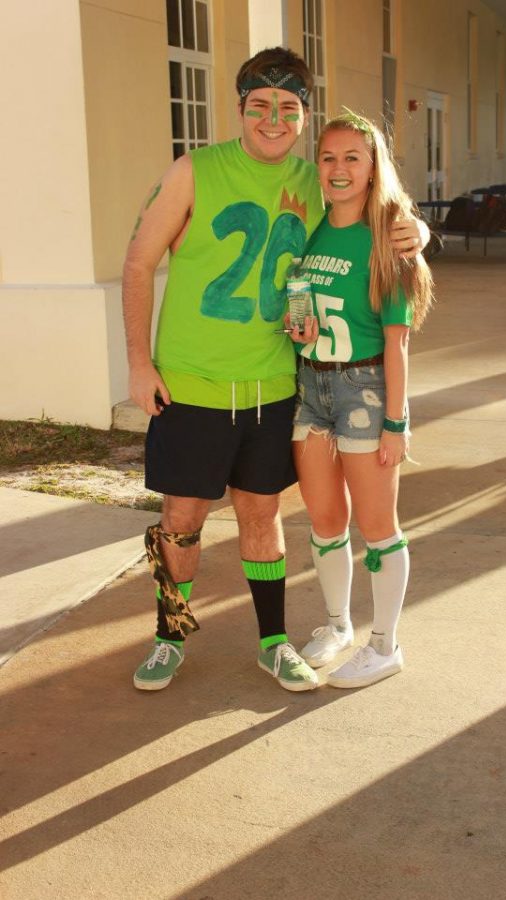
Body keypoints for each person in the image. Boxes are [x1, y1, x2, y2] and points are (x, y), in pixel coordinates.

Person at [122, 47, 429, 694]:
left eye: (288, 108)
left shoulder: (315, 185)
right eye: (259, 106)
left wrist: (416, 233)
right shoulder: (194, 171)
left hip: (276, 389)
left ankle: (272, 642)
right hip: (192, 385)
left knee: (263, 520)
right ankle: (169, 634)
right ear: (238, 110)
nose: (272, 118)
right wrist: (138, 362)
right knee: (180, 520)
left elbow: (369, 212)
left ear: (302, 116)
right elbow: (137, 262)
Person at [288, 111, 433, 688]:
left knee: (377, 525)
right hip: (310, 389)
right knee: (324, 520)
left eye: (353, 157)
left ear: (374, 169)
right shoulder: (311, 228)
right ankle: (337, 625)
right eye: (328, 157)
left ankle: (385, 644)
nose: (339, 168)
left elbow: (398, 345)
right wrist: (301, 330)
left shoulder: (389, 237)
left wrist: (397, 423)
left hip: (365, 392)